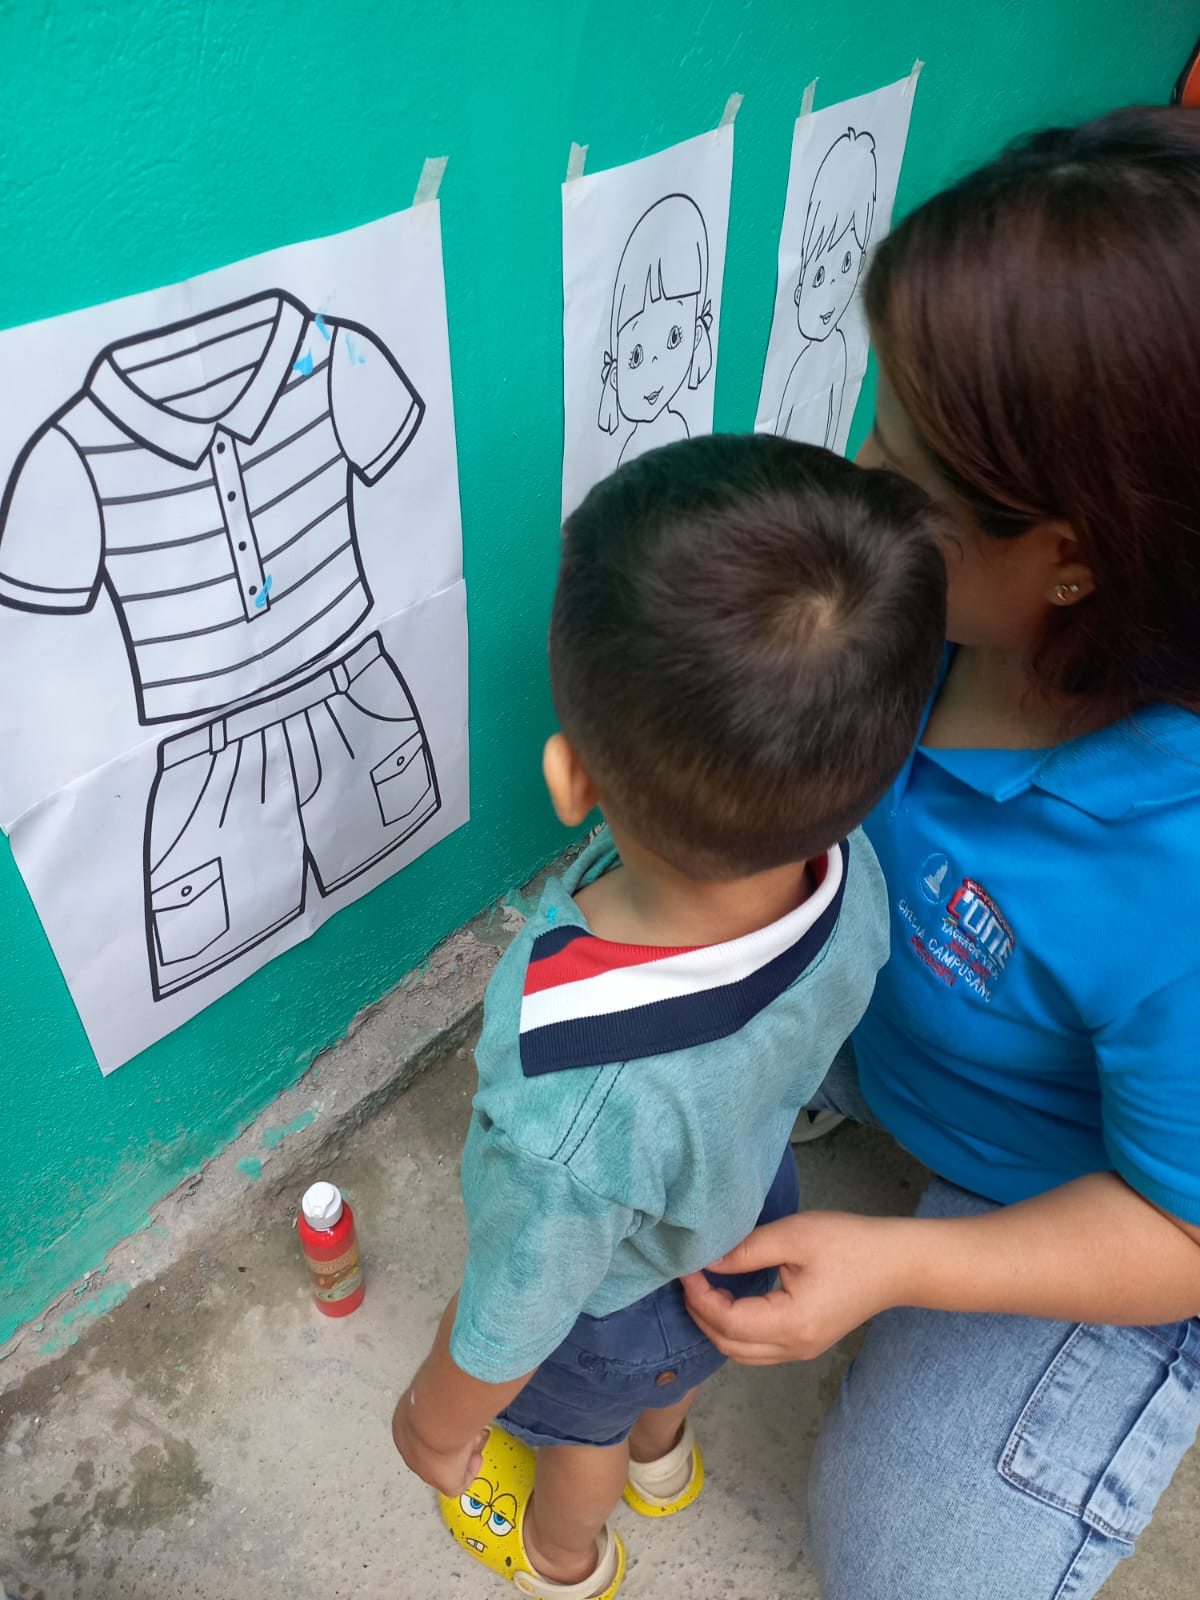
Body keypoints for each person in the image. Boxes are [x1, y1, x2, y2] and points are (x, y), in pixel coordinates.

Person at [684, 105, 1200, 1600]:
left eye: (904, 472)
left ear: (1074, 557)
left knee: (914, 1572)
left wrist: (901, 1263)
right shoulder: (941, 608)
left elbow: (1181, 1226)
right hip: (895, 1025)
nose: (855, 479)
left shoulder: (1172, 876)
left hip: (1096, 1193)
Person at [392, 432, 946, 1599]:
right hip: (745, 1212)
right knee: (668, 1375)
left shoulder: (574, 1099)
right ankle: (667, 1461)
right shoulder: (849, 876)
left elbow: (517, 1307)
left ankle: (564, 1555)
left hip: (607, 1305)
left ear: (571, 780)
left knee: (581, 1429)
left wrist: (436, 1421)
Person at [775, 127, 876, 450]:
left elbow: (834, 420)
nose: (832, 287)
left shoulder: (841, 351)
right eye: (818, 275)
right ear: (799, 288)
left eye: (847, 262)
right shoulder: (798, 368)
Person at [597, 194, 714, 465]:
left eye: (674, 337)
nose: (655, 365)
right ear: (615, 376)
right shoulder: (631, 454)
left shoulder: (681, 428)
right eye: (636, 356)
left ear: (696, 334)